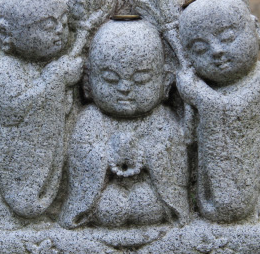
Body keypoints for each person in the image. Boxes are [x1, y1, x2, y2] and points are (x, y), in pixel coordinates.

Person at [59, 20, 189, 229]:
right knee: (110, 208)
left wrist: (145, 153)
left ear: (165, 82)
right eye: (111, 79)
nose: (125, 88)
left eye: (141, 79)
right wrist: (108, 154)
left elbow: (173, 156)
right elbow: (81, 156)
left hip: (148, 192)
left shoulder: (162, 118)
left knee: (146, 205)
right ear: (87, 82)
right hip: (104, 196)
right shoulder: (91, 118)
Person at [0, 0, 83, 229]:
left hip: (51, 145)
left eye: (63, 23)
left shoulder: (51, 61)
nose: (60, 32)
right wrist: (54, 78)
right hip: (20, 154)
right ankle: (16, 215)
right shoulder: (4, 67)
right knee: (23, 197)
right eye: (48, 26)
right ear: (7, 34)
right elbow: (12, 111)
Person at [177, 0, 260, 223]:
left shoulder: (256, 80)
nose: (216, 51)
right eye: (199, 49)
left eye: (227, 37)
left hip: (237, 174)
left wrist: (198, 94)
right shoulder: (209, 84)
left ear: (256, 29)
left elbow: (228, 112)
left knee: (231, 208)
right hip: (209, 177)